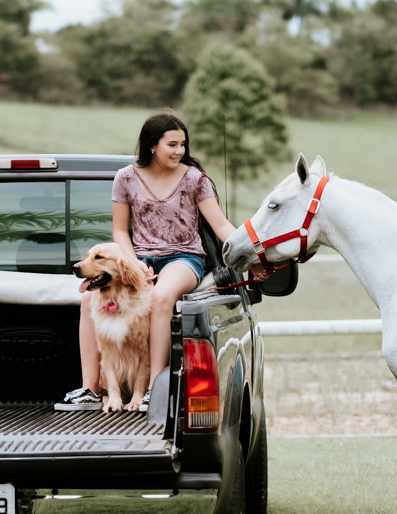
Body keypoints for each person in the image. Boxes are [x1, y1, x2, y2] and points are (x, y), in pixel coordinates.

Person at [58, 111, 260, 411]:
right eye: (172, 144)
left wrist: (253, 252)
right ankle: (89, 387)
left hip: (184, 257)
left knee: (162, 297)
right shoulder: (126, 178)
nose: (179, 151)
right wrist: (132, 261)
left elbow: (220, 226)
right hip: (139, 257)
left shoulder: (195, 179)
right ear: (152, 145)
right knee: (88, 301)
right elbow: (118, 230)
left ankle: (155, 388)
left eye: (183, 144)